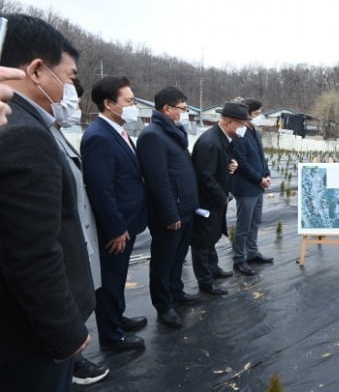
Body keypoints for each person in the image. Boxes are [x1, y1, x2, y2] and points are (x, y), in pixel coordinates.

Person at [0, 13, 95, 392]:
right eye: (69, 78)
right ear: (37, 70)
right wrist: (66, 333)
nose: (71, 90)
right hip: (29, 339)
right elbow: (32, 250)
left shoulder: (24, 123)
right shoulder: (24, 132)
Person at [48, 78, 109, 385]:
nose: (71, 103)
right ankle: (71, 361)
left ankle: (72, 359)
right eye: (67, 93)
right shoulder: (29, 133)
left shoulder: (56, 132)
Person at [81, 76, 148, 351]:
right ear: (109, 104)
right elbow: (101, 189)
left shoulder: (118, 130)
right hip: (116, 226)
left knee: (118, 276)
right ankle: (112, 336)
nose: (133, 106)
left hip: (129, 220)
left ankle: (118, 318)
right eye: (129, 101)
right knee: (110, 280)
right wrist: (116, 228)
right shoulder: (98, 137)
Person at [137, 87, 200, 328]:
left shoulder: (174, 133)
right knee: (163, 260)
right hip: (170, 212)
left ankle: (177, 292)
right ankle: (163, 305)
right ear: (167, 108)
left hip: (185, 208)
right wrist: (170, 213)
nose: (185, 113)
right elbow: (158, 179)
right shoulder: (153, 136)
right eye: (183, 109)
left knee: (178, 257)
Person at [191, 102, 247, 295]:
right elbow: (204, 177)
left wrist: (231, 164)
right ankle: (205, 282)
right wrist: (222, 197)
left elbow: (220, 164)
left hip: (215, 200)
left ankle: (213, 269)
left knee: (212, 236)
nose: (243, 130)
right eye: (241, 125)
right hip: (206, 202)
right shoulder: (210, 142)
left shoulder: (223, 139)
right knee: (202, 243)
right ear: (230, 122)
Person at [231, 98, 273, 276]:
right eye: (256, 114)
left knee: (255, 222)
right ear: (247, 114)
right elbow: (242, 162)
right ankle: (239, 259)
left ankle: (253, 253)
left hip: (258, 185)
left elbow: (260, 156)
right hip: (246, 187)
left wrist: (267, 173)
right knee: (244, 225)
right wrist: (259, 179)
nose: (258, 117)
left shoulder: (253, 130)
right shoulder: (239, 133)